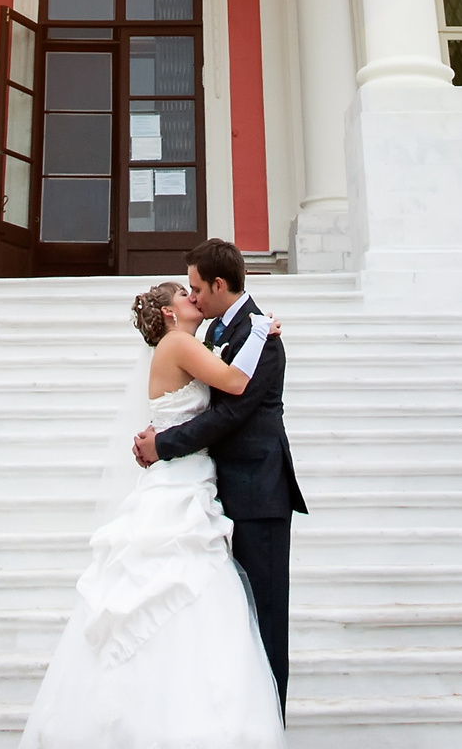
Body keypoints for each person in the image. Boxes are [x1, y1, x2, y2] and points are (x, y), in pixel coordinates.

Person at [17, 266, 288, 747]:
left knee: (178, 588)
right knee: (183, 586)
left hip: (188, 477)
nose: (195, 299)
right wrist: (263, 330)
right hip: (181, 481)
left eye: (197, 289)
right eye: (187, 294)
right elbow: (232, 380)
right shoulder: (179, 344)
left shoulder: (185, 347)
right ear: (169, 312)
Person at [138, 238, 306, 707]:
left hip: (258, 493)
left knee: (266, 617)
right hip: (217, 493)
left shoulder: (263, 338)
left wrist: (163, 445)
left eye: (195, 288)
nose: (191, 297)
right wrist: (161, 428)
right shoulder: (211, 334)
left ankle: (271, 722)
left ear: (217, 284)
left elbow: (231, 413)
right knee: (231, 618)